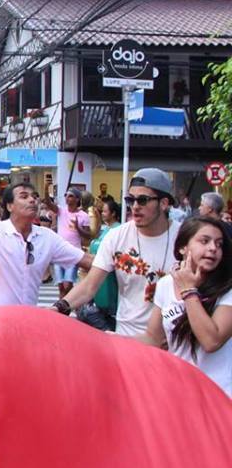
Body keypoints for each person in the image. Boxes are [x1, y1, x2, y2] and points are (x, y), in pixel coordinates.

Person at [56, 168, 181, 337]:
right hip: (127, 337)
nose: (135, 207)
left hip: (175, 341)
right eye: (130, 200)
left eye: (142, 200)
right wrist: (60, 307)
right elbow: (89, 285)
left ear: (164, 203)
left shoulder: (185, 239)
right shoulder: (116, 237)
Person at [0, 182, 93, 307]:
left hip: (26, 323)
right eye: (24, 196)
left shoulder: (47, 237)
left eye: (34, 197)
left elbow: (87, 261)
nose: (32, 200)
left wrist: (110, 254)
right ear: (10, 206)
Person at [136, 216, 232, 396]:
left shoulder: (228, 289)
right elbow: (153, 338)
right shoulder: (165, 284)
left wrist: (188, 290)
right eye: (205, 241)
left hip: (219, 396)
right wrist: (108, 339)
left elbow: (211, 341)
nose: (213, 248)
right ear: (183, 247)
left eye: (219, 244)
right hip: (180, 392)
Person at [76, 196, 122, 332]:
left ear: (113, 213)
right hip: (99, 285)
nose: (102, 214)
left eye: (105, 211)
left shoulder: (117, 231)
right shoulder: (105, 229)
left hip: (109, 286)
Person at [44, 188, 93, 300]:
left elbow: (88, 235)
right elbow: (48, 203)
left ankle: (67, 305)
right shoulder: (62, 211)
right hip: (59, 252)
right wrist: (46, 190)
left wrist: (78, 228)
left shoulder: (83, 215)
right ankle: (62, 309)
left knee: (68, 285)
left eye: (70, 196)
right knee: (61, 286)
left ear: (77, 199)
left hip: (73, 253)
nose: (67, 197)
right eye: (66, 195)